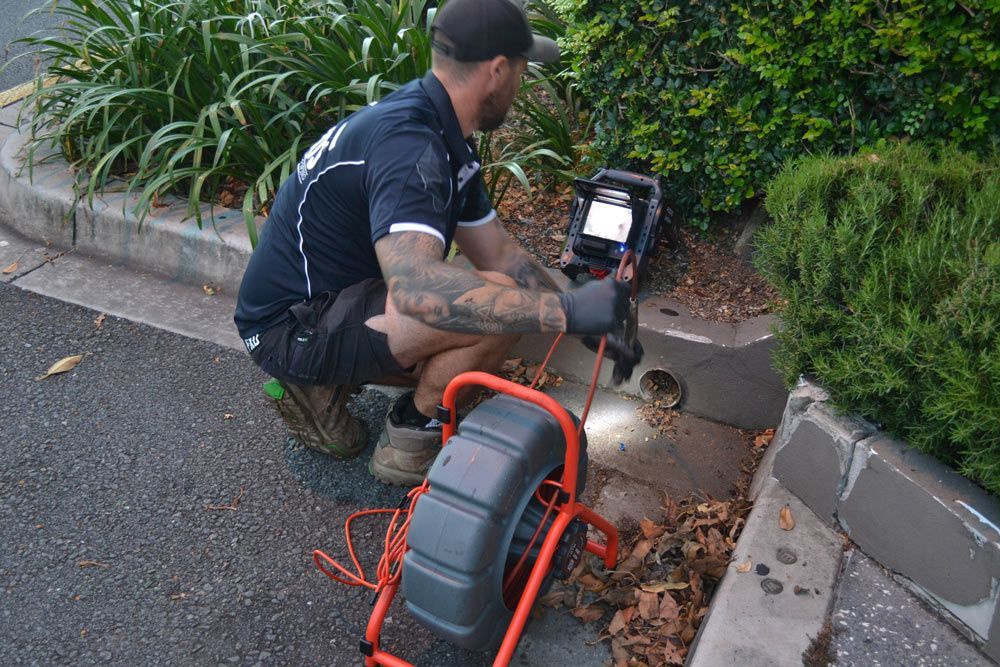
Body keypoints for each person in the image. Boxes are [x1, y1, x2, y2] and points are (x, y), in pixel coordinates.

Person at [234, 0, 636, 486]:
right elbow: (416, 291)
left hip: (333, 301)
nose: (522, 82)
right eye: (523, 69)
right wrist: (566, 313)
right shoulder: (412, 151)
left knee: (502, 289)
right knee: (492, 313)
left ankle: (344, 384)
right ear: (497, 70)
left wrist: (584, 321)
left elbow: (499, 253)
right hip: (288, 327)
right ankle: (406, 436)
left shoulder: (441, 133)